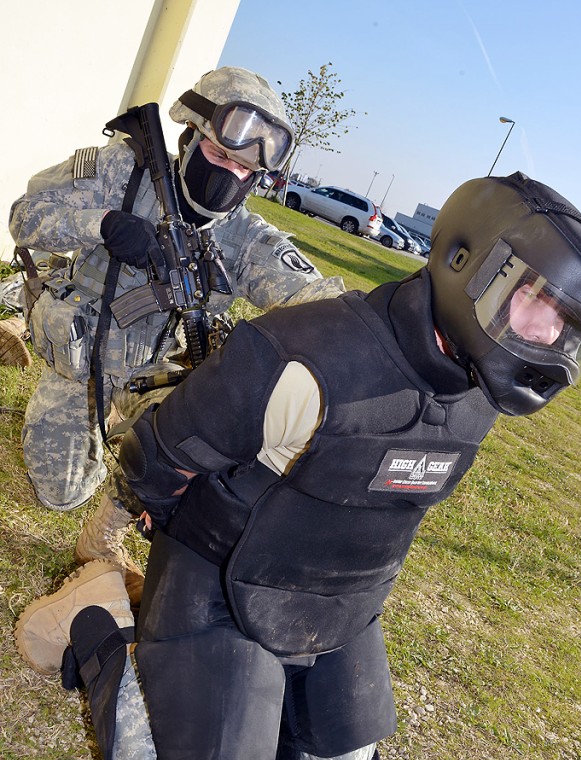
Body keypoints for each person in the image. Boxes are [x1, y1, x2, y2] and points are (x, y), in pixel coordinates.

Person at [14, 172, 581, 760]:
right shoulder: (304, 355)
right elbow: (155, 454)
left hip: (333, 603)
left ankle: (247, 697)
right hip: (218, 582)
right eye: (537, 306)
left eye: (569, 329)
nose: (550, 343)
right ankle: (98, 621)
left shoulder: (478, 397)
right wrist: (150, 529)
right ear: (468, 261)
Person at [7, 66, 344, 600]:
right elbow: (24, 218)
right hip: (80, 362)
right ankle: (19, 326)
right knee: (59, 493)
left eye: (243, 167)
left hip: (157, 379)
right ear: (189, 137)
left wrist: (386, 323)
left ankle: (104, 538)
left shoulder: (244, 235)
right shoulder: (123, 170)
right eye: (219, 155)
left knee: (210, 443)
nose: (230, 173)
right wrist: (100, 223)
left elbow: (318, 299)